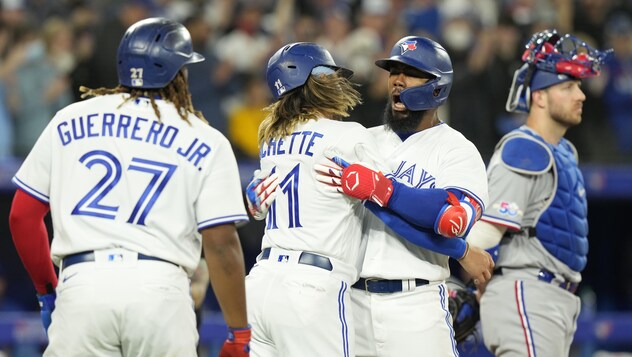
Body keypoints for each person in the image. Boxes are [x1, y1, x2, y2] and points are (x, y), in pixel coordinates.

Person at [8, 17, 251, 357]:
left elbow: (22, 216)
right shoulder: (205, 137)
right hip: (160, 292)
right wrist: (239, 332)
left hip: (83, 287)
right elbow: (222, 244)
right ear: (178, 73)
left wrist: (47, 291)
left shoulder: (69, 118)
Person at [314, 35, 495, 356]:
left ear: (438, 86)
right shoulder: (358, 140)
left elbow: (451, 220)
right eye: (393, 71)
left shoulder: (457, 150)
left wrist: (382, 191)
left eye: (410, 71)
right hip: (350, 302)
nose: (397, 80)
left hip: (416, 305)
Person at [465, 29, 612, 356]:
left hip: (551, 297)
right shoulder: (524, 149)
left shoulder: (564, 151)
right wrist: (467, 279)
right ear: (539, 96)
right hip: (527, 291)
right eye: (568, 86)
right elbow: (486, 233)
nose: (581, 95)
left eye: (580, 86)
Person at [245, 42, 388, 357]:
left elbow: (255, 207)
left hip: (260, 283)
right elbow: (389, 202)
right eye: (330, 74)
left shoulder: (270, 136)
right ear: (313, 80)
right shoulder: (349, 135)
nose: (337, 81)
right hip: (312, 286)